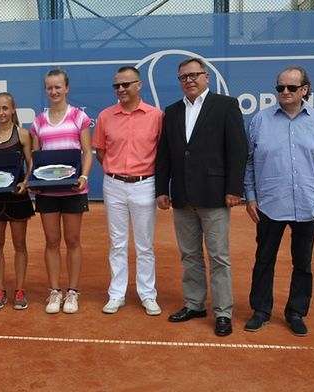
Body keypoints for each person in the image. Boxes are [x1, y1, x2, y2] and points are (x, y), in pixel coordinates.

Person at [243, 66, 314, 337]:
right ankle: (261, 311)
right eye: (280, 88)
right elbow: (248, 163)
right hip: (269, 205)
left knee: (303, 263)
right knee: (263, 259)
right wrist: (250, 196)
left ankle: (296, 312)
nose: (284, 92)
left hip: (308, 206)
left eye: (291, 88)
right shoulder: (260, 121)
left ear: (304, 90)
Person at [155, 57, 248, 336]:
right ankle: (195, 303)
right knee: (190, 254)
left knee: (219, 256)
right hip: (182, 196)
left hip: (215, 195)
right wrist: (162, 189)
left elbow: (238, 150)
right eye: (184, 77)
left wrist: (234, 189)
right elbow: (164, 155)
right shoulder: (171, 112)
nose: (190, 80)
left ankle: (223, 312)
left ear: (206, 77)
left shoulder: (226, 105)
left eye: (195, 75)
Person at [93, 66, 163, 316]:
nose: (120, 90)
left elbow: (162, 153)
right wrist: (116, 172)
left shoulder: (156, 116)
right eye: (117, 86)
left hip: (146, 184)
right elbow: (101, 151)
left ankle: (147, 294)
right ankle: (117, 294)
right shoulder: (105, 116)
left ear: (139, 85)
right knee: (118, 243)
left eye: (125, 85)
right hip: (113, 185)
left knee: (145, 245)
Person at [30, 68, 93, 314]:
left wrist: (84, 175)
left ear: (66, 88)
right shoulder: (38, 121)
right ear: (46, 90)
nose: (54, 91)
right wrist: (35, 180)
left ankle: (73, 292)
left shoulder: (78, 117)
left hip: (73, 190)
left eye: (58, 87)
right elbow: (36, 158)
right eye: (49, 87)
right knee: (52, 241)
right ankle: (54, 292)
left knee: (73, 240)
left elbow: (87, 152)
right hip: (47, 192)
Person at [0, 92, 35, 310]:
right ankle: (0, 290)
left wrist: (26, 182)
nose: (1, 112)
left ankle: (19, 290)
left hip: (17, 197)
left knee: (19, 244)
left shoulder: (22, 135)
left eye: (5, 108)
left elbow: (31, 164)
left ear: (13, 110)